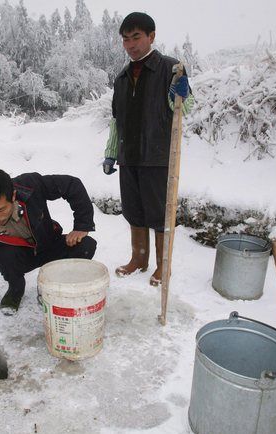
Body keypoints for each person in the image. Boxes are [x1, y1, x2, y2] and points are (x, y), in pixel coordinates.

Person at [0, 168, 96, 372]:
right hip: (16, 258)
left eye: (1, 210)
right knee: (5, 255)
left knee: (86, 245)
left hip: (48, 245)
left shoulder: (30, 186)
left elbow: (71, 185)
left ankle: (50, 287)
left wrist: (82, 224)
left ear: (12, 195)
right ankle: (15, 287)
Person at [102, 12, 194, 287]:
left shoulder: (171, 68)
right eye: (126, 39)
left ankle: (162, 267)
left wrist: (182, 93)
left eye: (136, 37)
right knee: (134, 211)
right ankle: (139, 259)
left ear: (151, 37)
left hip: (157, 156)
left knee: (159, 214)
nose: (131, 44)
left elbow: (183, 110)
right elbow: (117, 120)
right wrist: (111, 152)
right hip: (129, 157)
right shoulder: (121, 78)